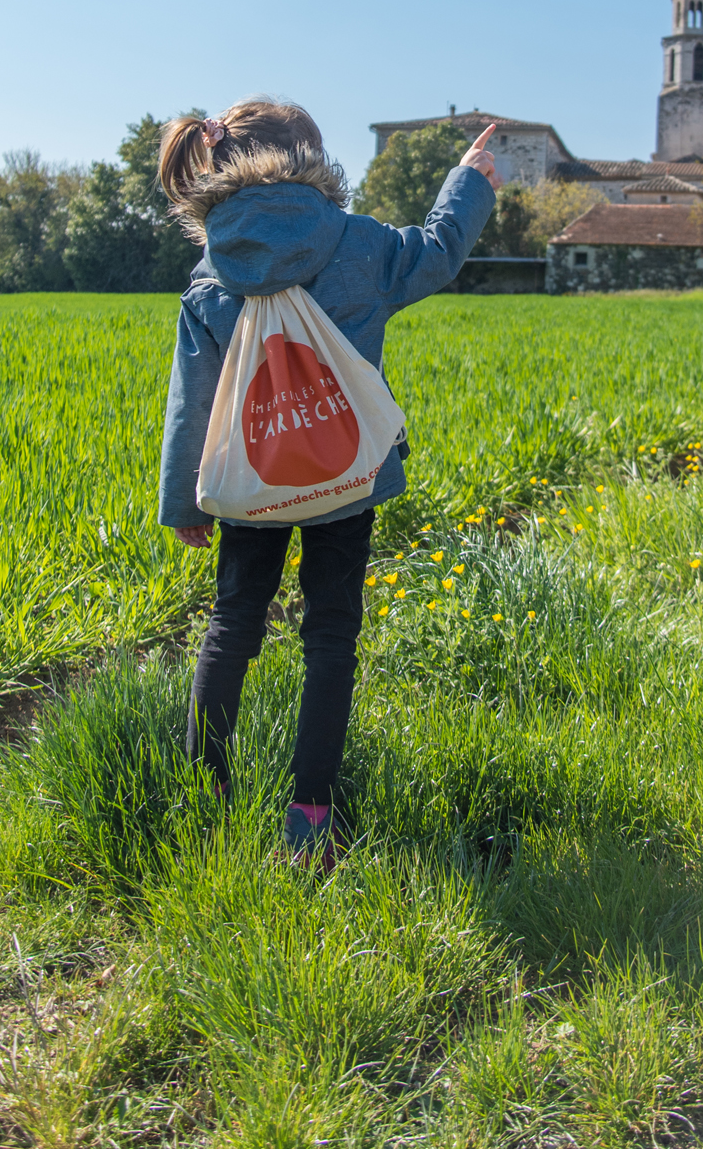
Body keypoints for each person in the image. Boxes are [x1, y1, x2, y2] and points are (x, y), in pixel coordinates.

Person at [157, 98, 499, 864]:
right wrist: (468, 181)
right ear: (310, 160)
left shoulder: (212, 272)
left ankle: (203, 796)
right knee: (331, 636)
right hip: (346, 477)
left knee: (232, 626)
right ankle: (310, 817)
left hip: (253, 482)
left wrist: (184, 501)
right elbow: (438, 251)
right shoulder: (359, 246)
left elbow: (194, 402)